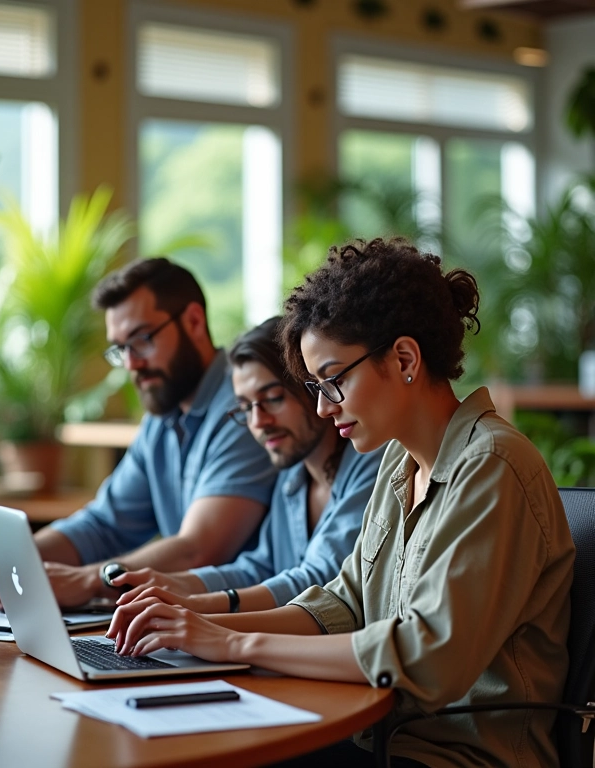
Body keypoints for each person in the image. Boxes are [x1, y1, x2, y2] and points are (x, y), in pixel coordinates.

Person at [106, 239, 575, 768]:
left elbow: (426, 657)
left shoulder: (491, 465)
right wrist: (194, 620)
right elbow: (343, 604)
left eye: (333, 382)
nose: (324, 409)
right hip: (379, 737)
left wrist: (234, 645)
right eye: (314, 387)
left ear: (404, 359)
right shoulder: (402, 464)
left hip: (454, 757)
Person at [0, 257, 276, 607]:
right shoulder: (162, 416)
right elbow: (104, 525)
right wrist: (9, 557)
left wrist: (88, 582)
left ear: (195, 321)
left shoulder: (246, 408)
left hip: (242, 621)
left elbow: (197, 550)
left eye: (142, 340)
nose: (131, 364)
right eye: (121, 348)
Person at [111, 316, 384, 613]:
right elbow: (259, 568)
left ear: (313, 389)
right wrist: (170, 584)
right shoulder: (292, 477)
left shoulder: (370, 462)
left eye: (273, 398)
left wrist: (198, 605)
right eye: (245, 407)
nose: (258, 422)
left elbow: (319, 581)